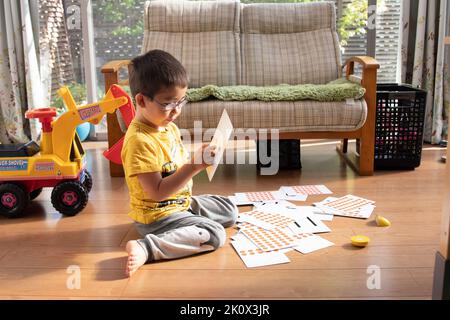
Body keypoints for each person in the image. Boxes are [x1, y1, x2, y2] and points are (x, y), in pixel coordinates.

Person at [121, 49, 238, 277]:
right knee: (214, 234)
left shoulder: (168, 126)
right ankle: (147, 247)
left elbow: (175, 165)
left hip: (181, 203)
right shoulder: (139, 141)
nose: (176, 111)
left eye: (181, 101)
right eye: (168, 104)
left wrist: (199, 155)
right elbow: (157, 193)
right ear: (142, 100)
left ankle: (188, 223)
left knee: (229, 209)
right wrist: (194, 166)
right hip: (157, 216)